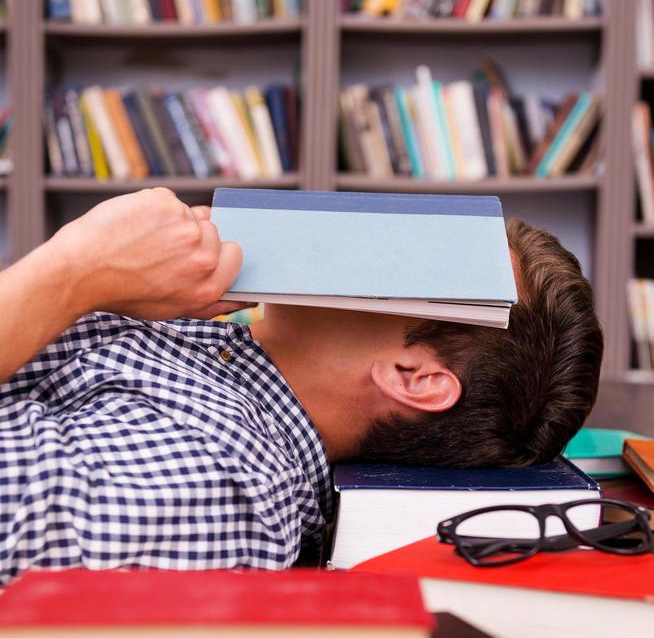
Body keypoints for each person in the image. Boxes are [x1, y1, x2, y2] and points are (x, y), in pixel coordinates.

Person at [0, 188, 603, 584]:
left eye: (420, 258)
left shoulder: (228, 477)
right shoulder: (199, 337)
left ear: (413, 378)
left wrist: (75, 270)